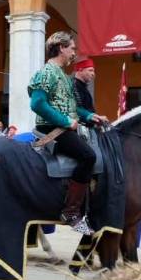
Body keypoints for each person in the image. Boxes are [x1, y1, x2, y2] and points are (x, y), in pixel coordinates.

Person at [28, 31, 99, 235]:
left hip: (64, 127)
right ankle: (71, 212)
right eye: (72, 48)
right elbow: (37, 104)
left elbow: (74, 109)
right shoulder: (47, 73)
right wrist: (66, 121)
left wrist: (90, 116)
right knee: (88, 157)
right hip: (52, 130)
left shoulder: (64, 77)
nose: (73, 53)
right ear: (61, 48)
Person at [71, 58, 109, 126]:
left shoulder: (82, 86)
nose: (93, 74)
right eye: (90, 70)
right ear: (80, 70)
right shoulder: (74, 85)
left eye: (93, 71)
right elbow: (74, 108)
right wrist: (92, 116)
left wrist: (96, 117)